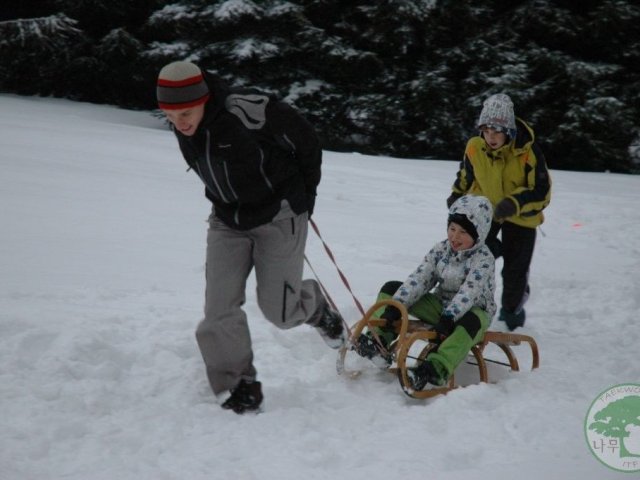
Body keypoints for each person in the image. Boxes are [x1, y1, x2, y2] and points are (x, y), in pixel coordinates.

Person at [156, 60, 346, 414]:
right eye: (169, 114)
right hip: (227, 219)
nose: (179, 122)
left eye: (185, 112)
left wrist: (306, 197)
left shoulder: (247, 111)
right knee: (218, 309)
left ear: (203, 97)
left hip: (280, 213)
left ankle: (317, 309)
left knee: (281, 311)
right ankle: (238, 383)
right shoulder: (184, 125)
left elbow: (306, 140)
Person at [355, 195, 496, 390]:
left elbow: (469, 293)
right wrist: (397, 307)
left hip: (473, 312)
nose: (455, 236)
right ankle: (379, 340)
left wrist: (448, 319)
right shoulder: (441, 250)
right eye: (452, 229)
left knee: (470, 322)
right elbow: (420, 280)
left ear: (478, 234)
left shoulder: (484, 259)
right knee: (392, 289)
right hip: (440, 306)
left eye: (463, 232)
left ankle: (436, 368)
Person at [446, 93, 551, 330]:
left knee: (515, 270)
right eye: (486, 131)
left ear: (509, 131)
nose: (491, 137)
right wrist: (456, 196)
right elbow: (466, 175)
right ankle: (459, 307)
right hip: (486, 213)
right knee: (468, 256)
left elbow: (542, 191)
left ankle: (511, 318)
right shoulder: (475, 146)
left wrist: (514, 202)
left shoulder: (527, 150)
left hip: (521, 216)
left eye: (497, 131)